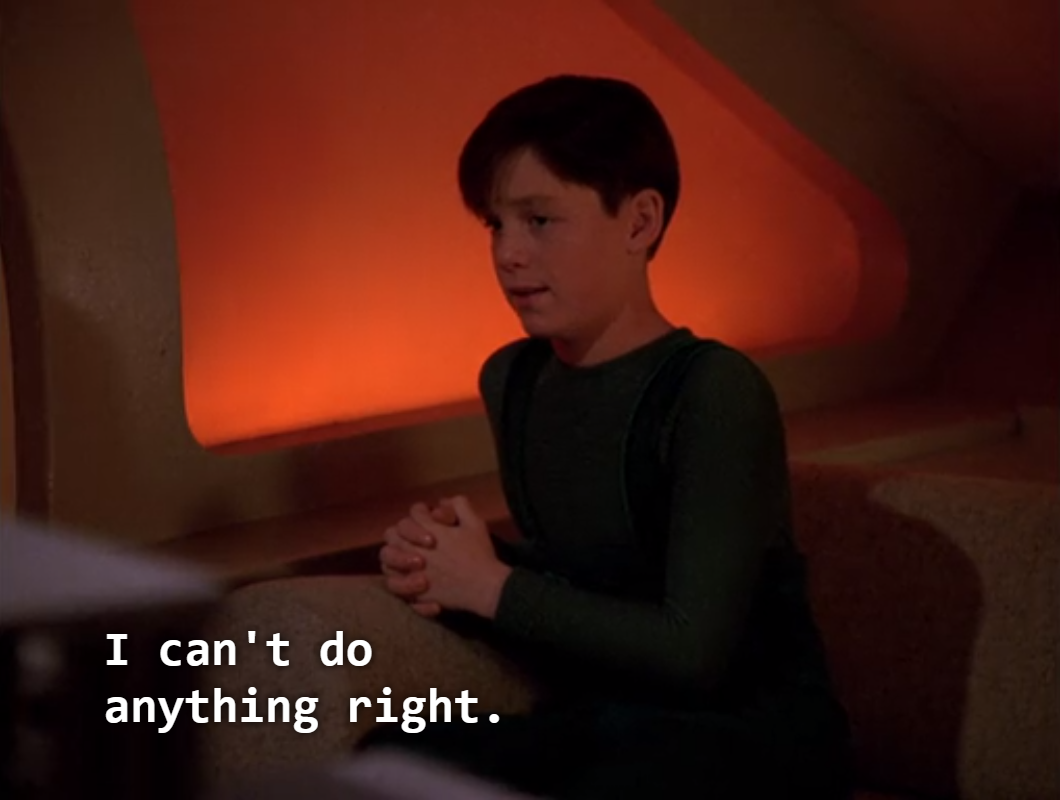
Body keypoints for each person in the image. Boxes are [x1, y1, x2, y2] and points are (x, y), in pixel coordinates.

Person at [361, 74, 853, 799]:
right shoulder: (513, 378)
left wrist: (493, 585)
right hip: (614, 719)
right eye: (495, 225)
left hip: (746, 735)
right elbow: (583, 584)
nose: (508, 254)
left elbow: (693, 652)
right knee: (393, 760)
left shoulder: (714, 390)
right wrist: (451, 562)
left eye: (539, 220)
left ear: (640, 221)